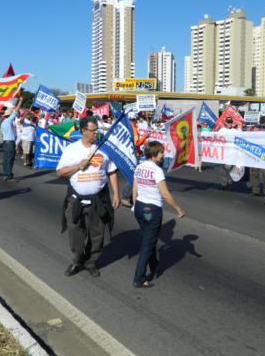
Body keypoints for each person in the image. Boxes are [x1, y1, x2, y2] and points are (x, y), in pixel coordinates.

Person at [56, 116, 121, 278]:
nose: (96, 133)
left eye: (97, 130)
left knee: (97, 234)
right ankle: (77, 260)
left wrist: (116, 194)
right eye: (93, 130)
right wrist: (78, 165)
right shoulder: (71, 150)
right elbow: (60, 172)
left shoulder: (103, 149)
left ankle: (91, 262)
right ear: (83, 131)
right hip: (76, 200)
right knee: (75, 232)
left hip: (98, 200)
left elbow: (111, 172)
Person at [131, 141, 185, 288]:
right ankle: (139, 278)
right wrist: (178, 209)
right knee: (147, 245)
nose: (163, 154)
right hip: (152, 210)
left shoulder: (139, 167)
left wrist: (135, 206)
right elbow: (166, 195)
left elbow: (134, 189)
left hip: (139, 207)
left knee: (149, 240)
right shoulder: (157, 171)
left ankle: (154, 266)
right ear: (154, 154)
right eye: (161, 152)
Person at [0, 93, 23, 181]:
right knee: (10, 159)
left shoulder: (3, 122)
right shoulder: (9, 120)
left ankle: (6, 174)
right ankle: (9, 175)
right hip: (10, 142)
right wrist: (20, 101)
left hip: (6, 142)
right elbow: (16, 111)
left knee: (6, 159)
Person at [218, 117, 236, 188]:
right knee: (223, 169)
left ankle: (230, 180)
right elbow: (217, 139)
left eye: (230, 122)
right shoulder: (221, 130)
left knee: (230, 168)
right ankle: (224, 183)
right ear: (225, 122)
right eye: (228, 122)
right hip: (223, 153)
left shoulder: (235, 131)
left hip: (232, 152)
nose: (229, 124)